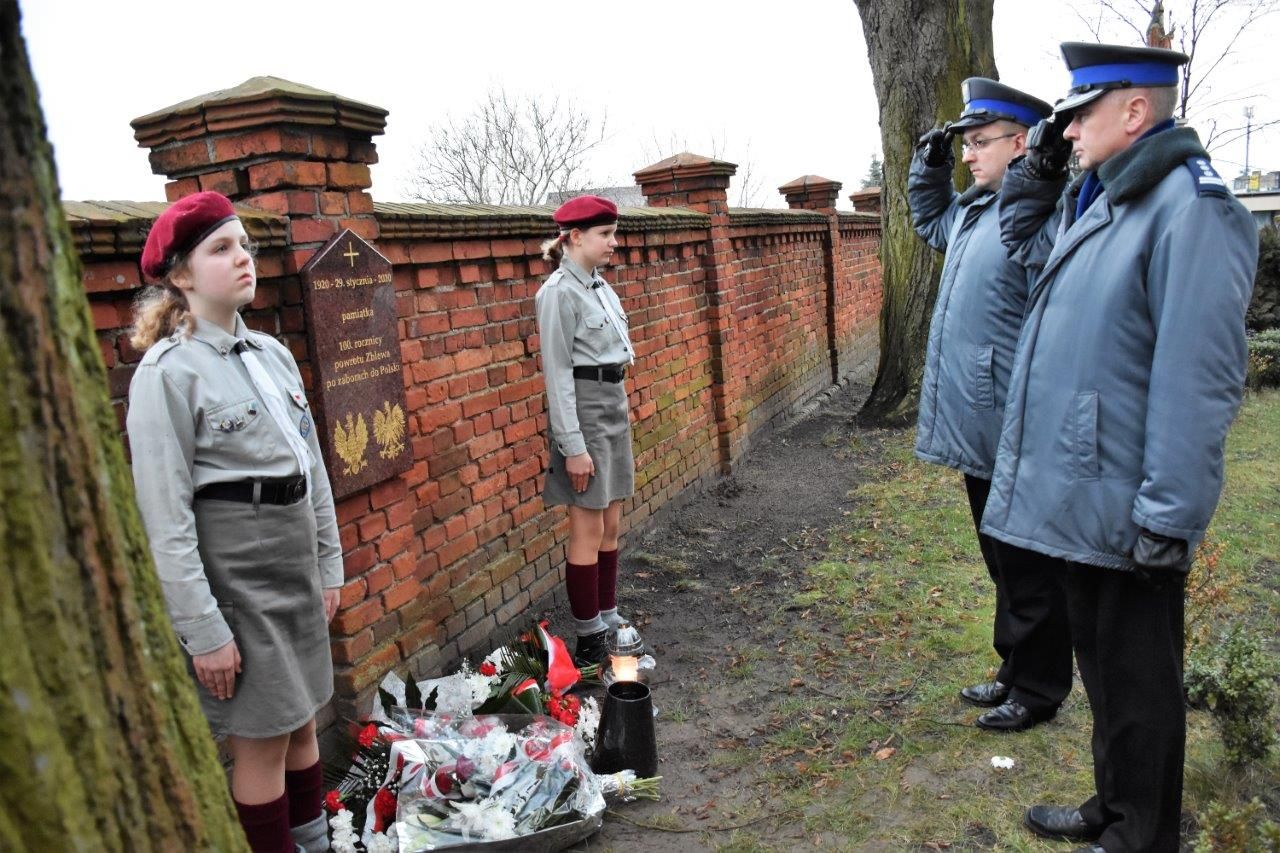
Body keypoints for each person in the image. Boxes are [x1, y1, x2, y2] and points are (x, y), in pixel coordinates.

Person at [986, 43, 1258, 852]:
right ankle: (1114, 809)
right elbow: (1024, 244)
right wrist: (1035, 170)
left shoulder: (1190, 207)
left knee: (1141, 684)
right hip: (1086, 490)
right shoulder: (1105, 199)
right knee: (1106, 675)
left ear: (1134, 111)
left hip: (1132, 499)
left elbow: (1198, 379)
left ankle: (1142, 834)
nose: (1065, 133)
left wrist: (1168, 516)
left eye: (1078, 116)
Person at [127, 191, 343, 853]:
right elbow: (165, 520)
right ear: (182, 275)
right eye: (222, 248)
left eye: (244, 244)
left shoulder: (272, 355)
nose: (243, 257)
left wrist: (328, 563)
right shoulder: (167, 374)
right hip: (237, 580)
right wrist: (204, 631)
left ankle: (314, 842)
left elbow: (311, 469)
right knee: (263, 742)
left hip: (293, 564)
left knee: (305, 721)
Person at [910, 79, 1073, 732]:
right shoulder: (976, 211)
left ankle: (1040, 687)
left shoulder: (1034, 214)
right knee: (1001, 559)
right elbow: (929, 219)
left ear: (1018, 143)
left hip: (1011, 418)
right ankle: (1014, 664)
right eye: (964, 144)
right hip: (977, 420)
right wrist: (929, 168)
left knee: (1029, 564)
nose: (968, 155)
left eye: (979, 143)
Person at [535, 195, 641, 667]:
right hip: (585, 411)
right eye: (605, 235)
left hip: (612, 405)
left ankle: (609, 617)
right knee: (587, 522)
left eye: (614, 234)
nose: (613, 244)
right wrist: (573, 447)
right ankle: (589, 638)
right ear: (575, 237)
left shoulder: (600, 286)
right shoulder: (558, 292)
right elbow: (558, 374)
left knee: (612, 520)